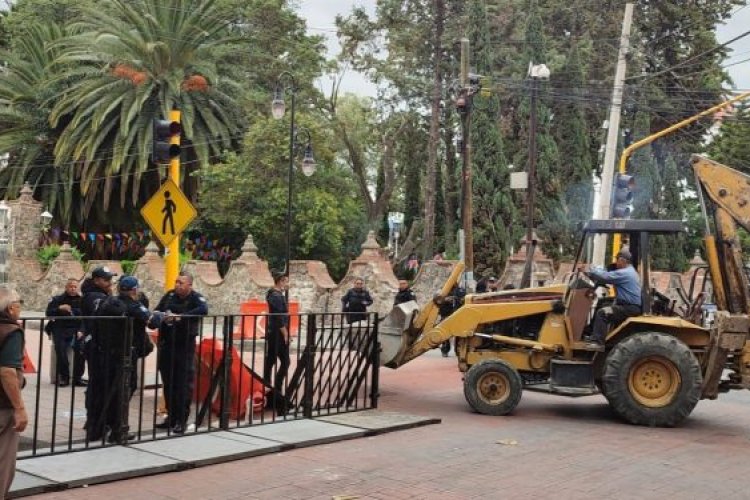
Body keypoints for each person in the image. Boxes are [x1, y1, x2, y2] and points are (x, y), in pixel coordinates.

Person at [154, 272, 208, 434]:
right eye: (176, 281)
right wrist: (163, 316)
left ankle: (181, 420)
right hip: (167, 344)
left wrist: (180, 317)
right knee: (168, 382)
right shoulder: (169, 296)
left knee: (183, 385)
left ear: (189, 285)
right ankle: (170, 418)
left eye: (181, 283)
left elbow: (203, 310)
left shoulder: (196, 298)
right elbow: (157, 310)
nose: (177, 285)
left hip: (184, 346)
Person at [80, 266, 116, 442]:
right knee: (98, 387)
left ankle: (97, 422)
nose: (110, 283)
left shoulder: (99, 295)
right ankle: (96, 425)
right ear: (96, 281)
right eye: (106, 279)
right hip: (96, 346)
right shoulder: (93, 296)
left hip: (101, 346)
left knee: (100, 386)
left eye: (110, 279)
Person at [0, 286, 27, 498]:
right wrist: (19, 408)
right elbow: (7, 371)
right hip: (2, 405)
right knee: (3, 460)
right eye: (19, 304)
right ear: (10, 308)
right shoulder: (10, 330)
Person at [586, 249, 642, 344]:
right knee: (602, 302)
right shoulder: (630, 271)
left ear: (622, 260)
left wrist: (590, 269)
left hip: (629, 307)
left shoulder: (625, 273)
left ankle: (597, 341)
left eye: (617, 260)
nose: (616, 263)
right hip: (628, 305)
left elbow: (605, 277)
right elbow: (606, 277)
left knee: (602, 312)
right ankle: (591, 332)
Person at [45, 278, 86, 387]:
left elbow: (86, 318)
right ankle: (64, 377)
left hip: (76, 328)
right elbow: (48, 313)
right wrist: (59, 309)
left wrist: (81, 330)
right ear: (66, 287)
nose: (73, 289)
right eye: (70, 286)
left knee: (81, 350)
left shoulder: (83, 300)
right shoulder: (57, 299)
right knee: (60, 350)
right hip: (61, 328)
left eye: (75, 287)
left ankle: (77, 378)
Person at [264, 272, 291, 413]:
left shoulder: (275, 294)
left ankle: (270, 387)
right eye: (286, 281)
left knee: (272, 360)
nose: (287, 284)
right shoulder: (275, 296)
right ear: (280, 281)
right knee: (283, 361)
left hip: (276, 332)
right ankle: (274, 389)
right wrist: (285, 333)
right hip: (277, 333)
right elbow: (279, 316)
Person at [439, 284, 465, 357]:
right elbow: (438, 300)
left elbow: (464, 300)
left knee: (459, 334)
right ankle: (445, 350)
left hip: (457, 314)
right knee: (445, 334)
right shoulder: (444, 290)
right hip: (446, 314)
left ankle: (459, 350)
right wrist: (445, 299)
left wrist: (459, 300)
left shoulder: (460, 290)